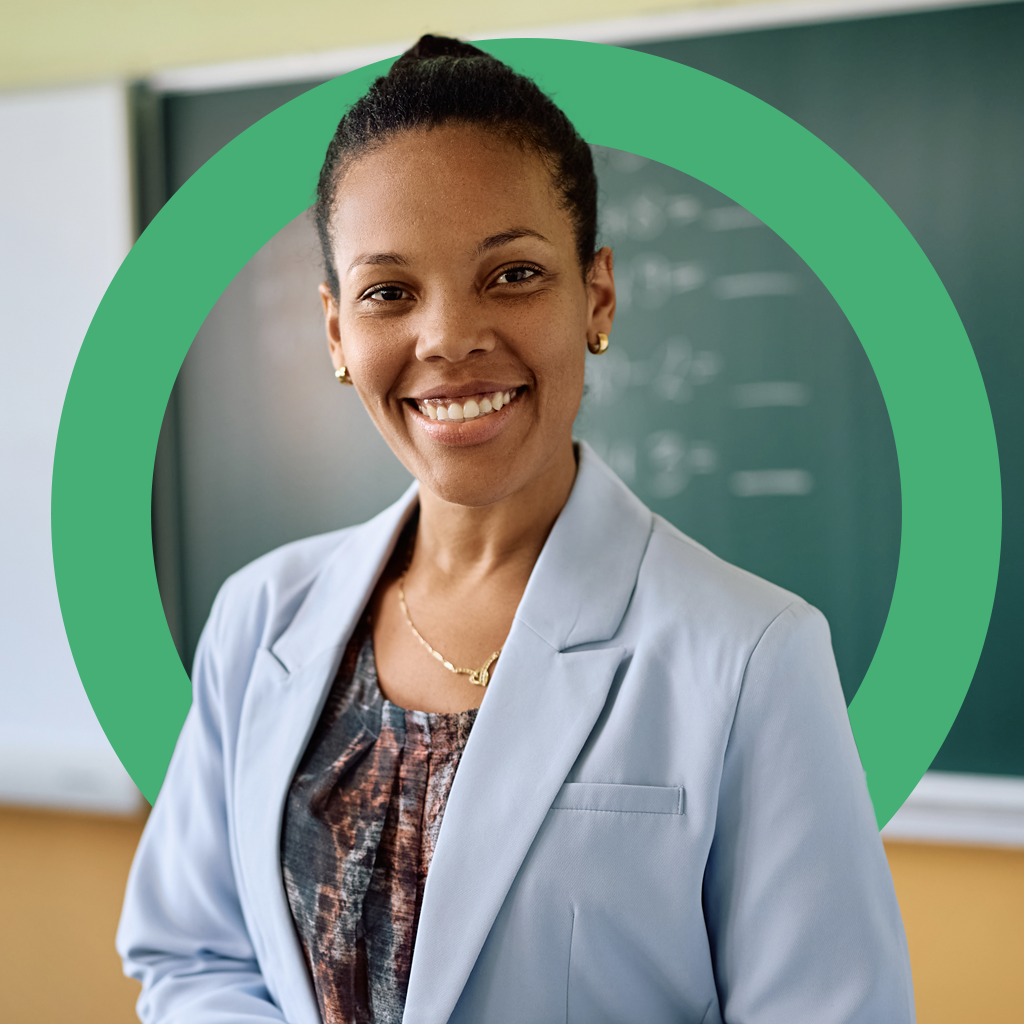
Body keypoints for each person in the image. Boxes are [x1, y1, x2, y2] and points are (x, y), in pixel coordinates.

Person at [117, 35, 916, 1024]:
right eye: (387, 292)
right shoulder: (258, 616)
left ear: (597, 294)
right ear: (336, 333)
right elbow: (191, 956)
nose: (448, 337)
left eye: (511, 275)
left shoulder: (751, 654)